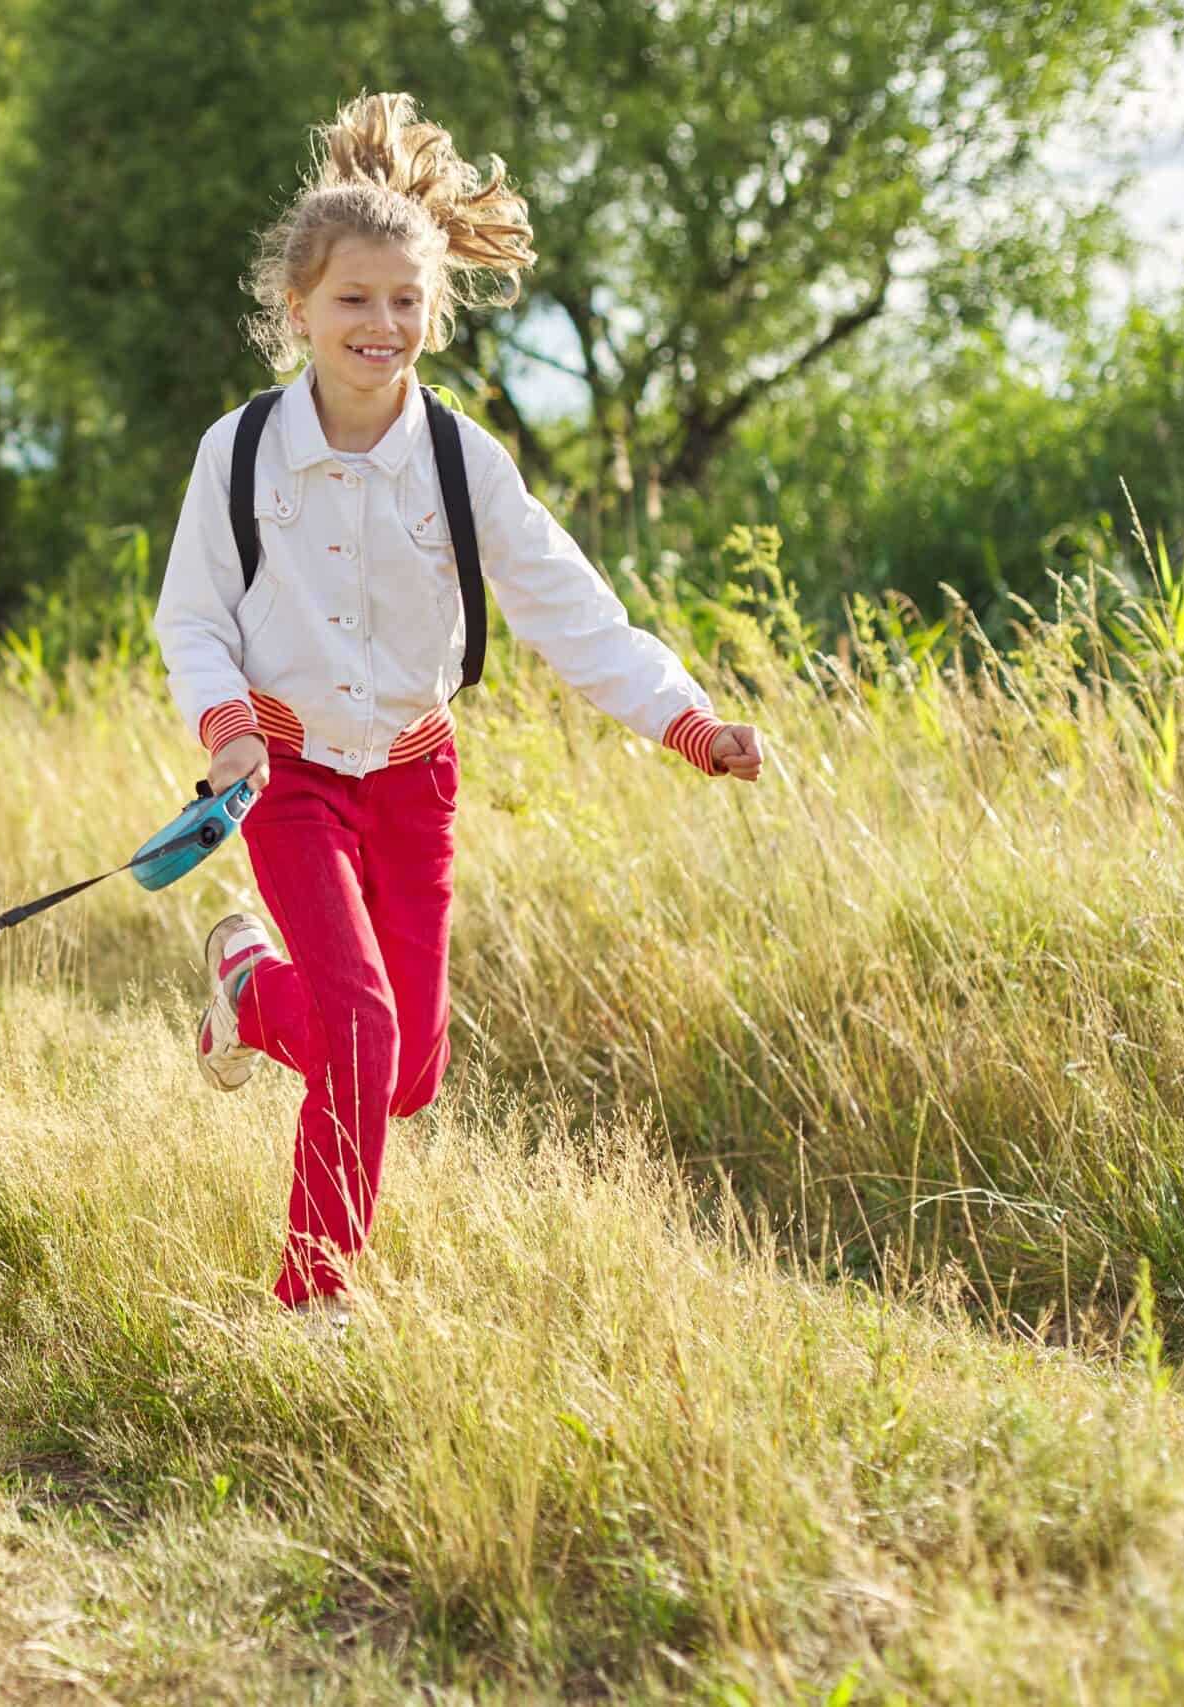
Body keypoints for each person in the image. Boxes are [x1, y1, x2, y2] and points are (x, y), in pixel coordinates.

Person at [151, 91, 766, 1330]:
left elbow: (571, 609)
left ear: (434, 309)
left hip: (414, 778)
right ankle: (312, 1304)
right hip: (286, 779)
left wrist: (687, 721)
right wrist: (224, 736)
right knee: (364, 1030)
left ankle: (245, 991)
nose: (381, 325)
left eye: (403, 302)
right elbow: (192, 619)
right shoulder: (240, 450)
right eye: (352, 302)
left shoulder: (462, 461)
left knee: (407, 1074)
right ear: (298, 312)